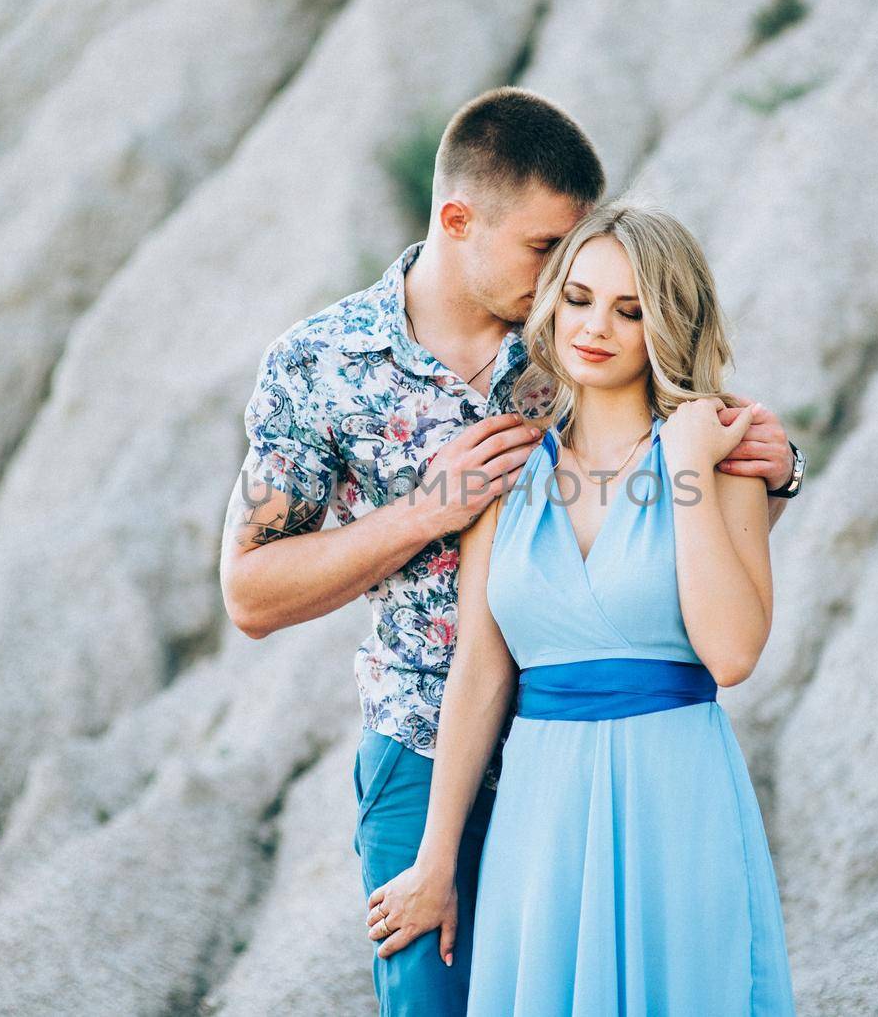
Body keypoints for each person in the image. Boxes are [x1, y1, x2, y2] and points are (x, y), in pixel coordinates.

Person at [220, 87, 805, 1016]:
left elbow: (675, 473)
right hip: (424, 740)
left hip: (612, 754)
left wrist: (765, 466)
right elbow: (248, 593)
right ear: (459, 220)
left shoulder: (566, 349)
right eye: (550, 257)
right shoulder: (318, 363)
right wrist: (422, 515)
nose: (573, 297)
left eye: (584, 269)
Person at [362, 199, 798, 1014]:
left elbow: (733, 654)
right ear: (553, 299)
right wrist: (436, 862)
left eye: (630, 310)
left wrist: (691, 467)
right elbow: (481, 670)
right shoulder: (509, 471)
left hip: (677, 796)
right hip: (543, 808)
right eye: (581, 298)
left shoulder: (722, 460)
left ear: (665, 325)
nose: (596, 326)